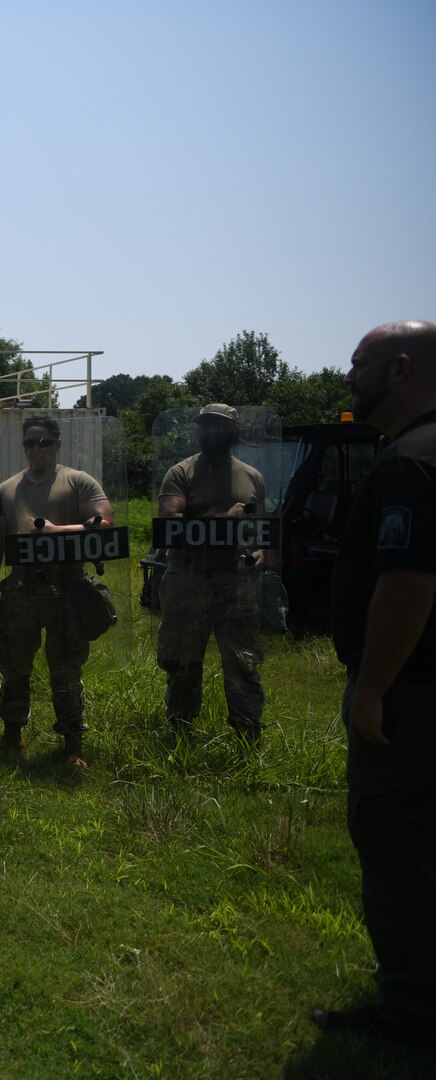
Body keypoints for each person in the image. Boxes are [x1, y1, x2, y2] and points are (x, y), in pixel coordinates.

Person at [312, 320, 436, 1049]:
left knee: (400, 850)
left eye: (356, 364)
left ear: (398, 369)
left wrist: (371, 689)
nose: (346, 377)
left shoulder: (408, 464)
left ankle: (409, 1020)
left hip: (413, 699)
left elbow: (409, 585)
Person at [0, 417, 113, 767]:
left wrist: (58, 531)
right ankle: (11, 736)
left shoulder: (78, 482)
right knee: (14, 667)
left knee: (66, 669)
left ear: (58, 443)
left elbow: (103, 523)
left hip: (67, 587)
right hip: (21, 589)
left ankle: (72, 744)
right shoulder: (7, 489)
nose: (35, 448)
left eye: (42, 441)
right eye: (29, 443)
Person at [154, 403, 267, 743]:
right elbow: (168, 524)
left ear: (233, 432)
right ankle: (180, 733)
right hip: (187, 581)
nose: (212, 432)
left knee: (243, 663)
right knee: (182, 663)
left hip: (235, 584)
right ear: (199, 430)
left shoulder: (251, 476)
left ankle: (249, 738)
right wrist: (223, 519)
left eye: (220, 426)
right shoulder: (181, 472)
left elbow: (261, 533)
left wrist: (260, 555)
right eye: (206, 426)